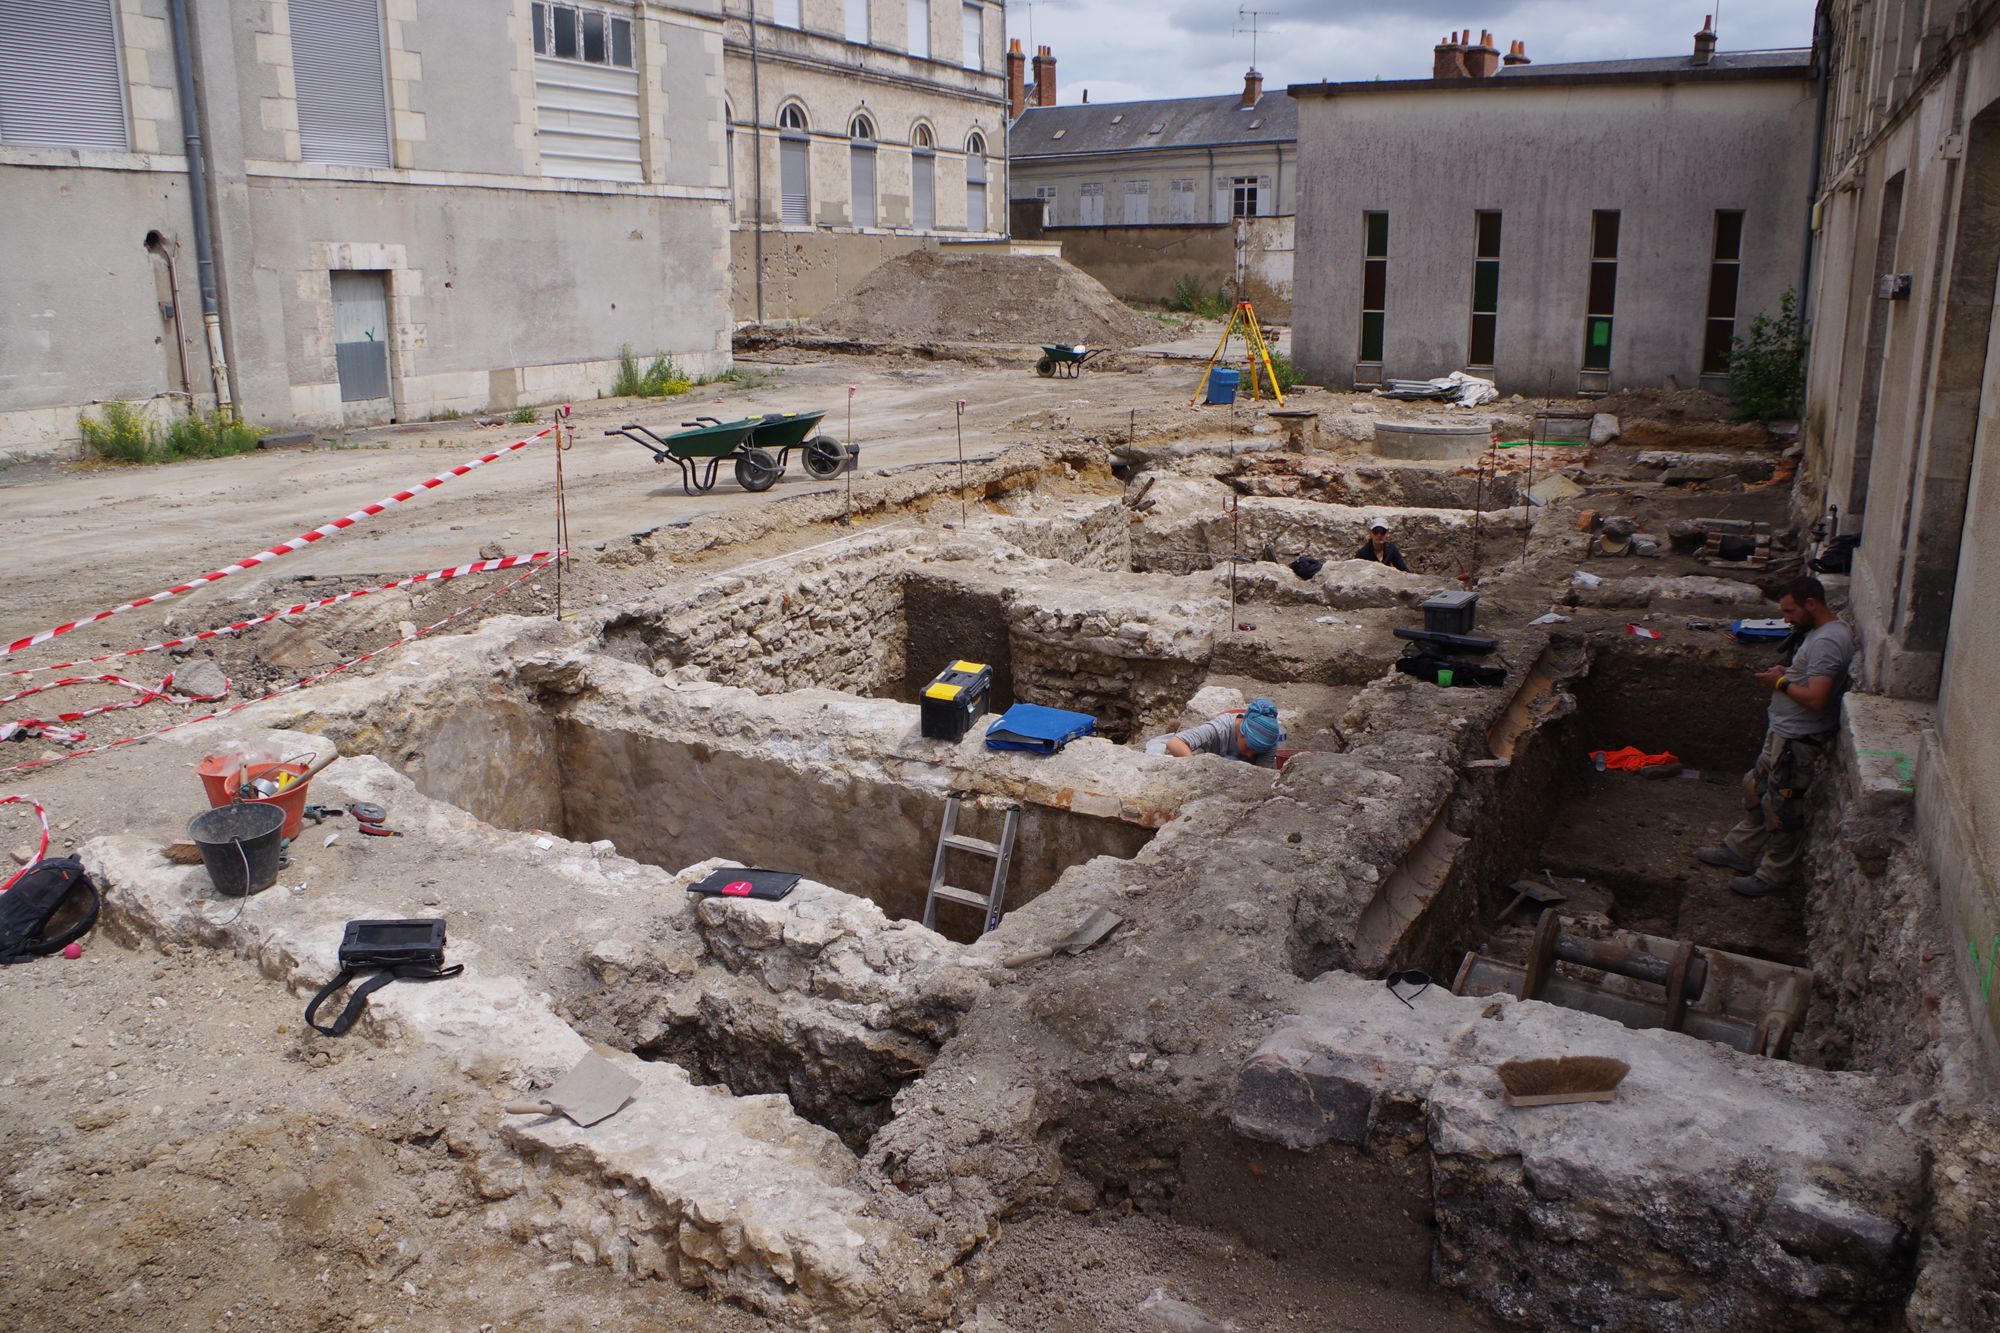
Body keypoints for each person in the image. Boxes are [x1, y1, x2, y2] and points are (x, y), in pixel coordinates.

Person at [1695, 576, 1858, 897]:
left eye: (1790, 611)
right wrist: (1788, 674)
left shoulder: (1828, 641)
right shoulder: (1819, 633)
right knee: (1756, 788)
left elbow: (1817, 698)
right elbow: (1809, 679)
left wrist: (1780, 683)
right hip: (1784, 732)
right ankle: (1739, 850)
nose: (1786, 619)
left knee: (1784, 808)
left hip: (1797, 739)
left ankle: (1773, 875)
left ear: (1811, 603)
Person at [1147, 698, 1285, 768]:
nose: (1250, 754)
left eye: (1256, 751)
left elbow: (1262, 776)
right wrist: (1196, 769)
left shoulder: (1268, 743)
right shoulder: (1219, 728)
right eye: (1249, 747)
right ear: (1242, 731)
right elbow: (1175, 742)